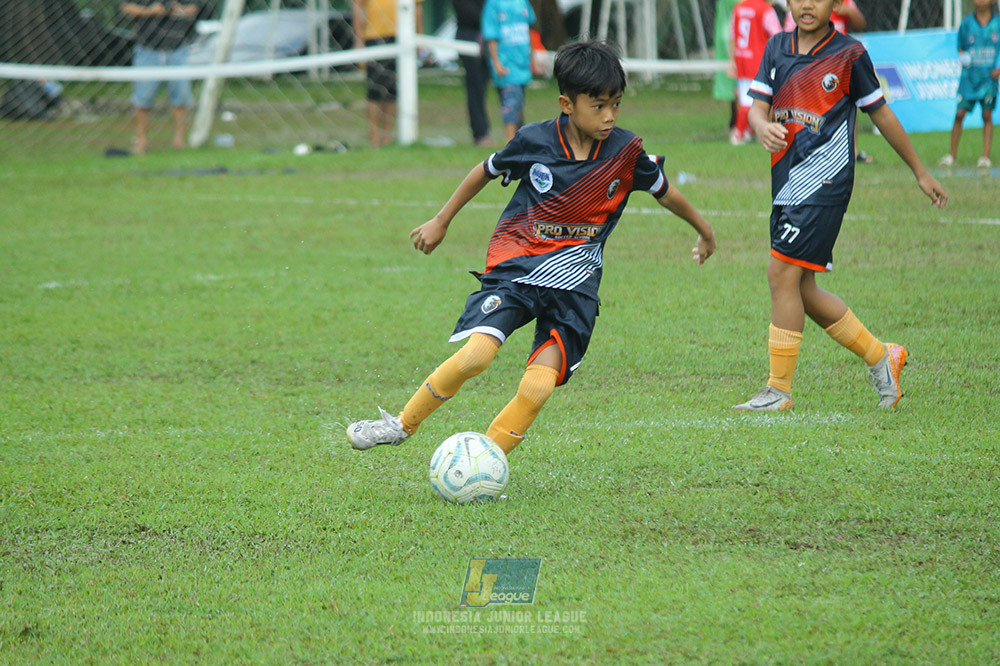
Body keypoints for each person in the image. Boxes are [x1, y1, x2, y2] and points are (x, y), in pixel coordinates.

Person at [346, 40, 716, 454]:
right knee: (476, 357)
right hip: (518, 265)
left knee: (538, 385)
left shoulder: (626, 151)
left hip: (576, 284)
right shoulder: (533, 140)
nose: (610, 115)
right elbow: (484, 171)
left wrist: (705, 231)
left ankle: (484, 459)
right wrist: (441, 220)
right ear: (566, 103)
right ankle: (401, 424)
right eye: (598, 105)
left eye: (616, 104)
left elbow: (666, 193)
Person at [734, 0, 948, 412]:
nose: (807, 4)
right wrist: (761, 127)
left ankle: (778, 390)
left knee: (780, 273)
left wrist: (920, 171)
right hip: (787, 183)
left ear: (837, 2)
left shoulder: (849, 55)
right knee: (802, 287)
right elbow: (758, 106)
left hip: (825, 184)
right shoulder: (777, 47)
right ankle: (881, 355)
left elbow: (881, 115)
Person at [120, 1, 201, 154]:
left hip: (178, 49)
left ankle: (179, 140)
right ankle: (142, 140)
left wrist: (179, 11)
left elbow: (194, 8)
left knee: (181, 97)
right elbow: (126, 8)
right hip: (148, 49)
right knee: (143, 98)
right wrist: (150, 11)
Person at [352, 0, 424, 147]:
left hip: (401, 36)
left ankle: (387, 136)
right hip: (374, 36)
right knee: (375, 91)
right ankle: (373, 137)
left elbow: (417, 7)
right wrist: (358, 39)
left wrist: (419, 37)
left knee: (393, 90)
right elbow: (358, 6)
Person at [939, 0, 1000, 169]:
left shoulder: (997, 23)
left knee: (987, 116)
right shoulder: (966, 24)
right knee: (959, 114)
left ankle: (985, 157)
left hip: (988, 80)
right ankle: (952, 155)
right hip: (969, 79)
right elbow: (961, 48)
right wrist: (963, 57)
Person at [482, 0, 536, 142]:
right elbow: (491, 36)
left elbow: (530, 29)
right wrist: (496, 62)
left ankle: (519, 141)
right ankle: (510, 142)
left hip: (522, 64)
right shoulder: (494, 4)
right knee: (510, 104)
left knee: (518, 104)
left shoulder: (523, 3)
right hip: (506, 65)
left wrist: (533, 57)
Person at [729, 0, 782, 145]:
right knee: (752, 100)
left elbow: (733, 35)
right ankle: (738, 134)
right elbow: (777, 34)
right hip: (758, 59)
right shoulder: (765, 9)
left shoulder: (738, 8)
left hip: (741, 57)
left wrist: (732, 61)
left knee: (745, 97)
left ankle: (748, 132)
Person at [452, 0, 493, 146]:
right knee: (475, 85)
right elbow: (466, 12)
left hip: (491, 37)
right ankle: (480, 134)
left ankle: (514, 130)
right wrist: (493, 18)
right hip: (470, 36)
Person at [714, 0, 743, 137]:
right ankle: (739, 125)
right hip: (735, 37)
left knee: (739, 85)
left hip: (732, 35)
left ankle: (737, 124)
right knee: (738, 85)